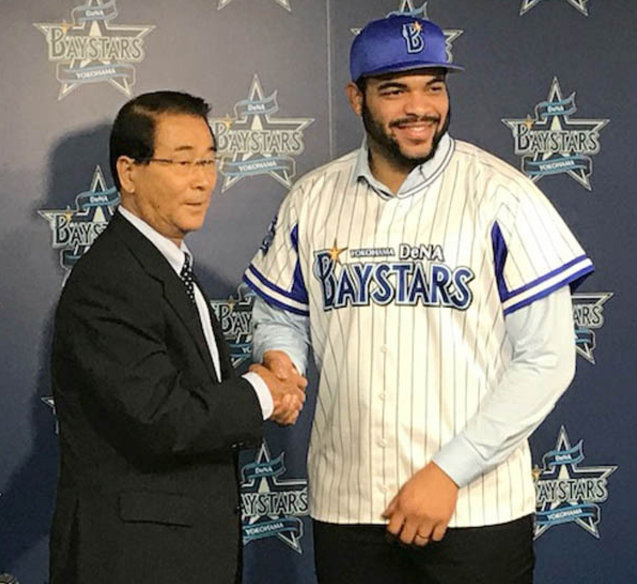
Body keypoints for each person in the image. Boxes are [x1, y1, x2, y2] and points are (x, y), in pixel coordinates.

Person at [243, 15, 593, 584]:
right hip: (350, 504)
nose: (419, 107)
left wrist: (449, 472)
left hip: (474, 508)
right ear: (356, 98)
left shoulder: (503, 195)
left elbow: (547, 359)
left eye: (433, 86)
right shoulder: (312, 198)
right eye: (395, 90)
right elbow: (280, 315)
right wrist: (282, 360)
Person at [49, 91, 305, 584]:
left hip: (183, 554)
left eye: (209, 161)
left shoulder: (168, 267)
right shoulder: (110, 280)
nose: (203, 180)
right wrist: (261, 392)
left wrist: (265, 389)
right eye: (183, 162)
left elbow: (192, 395)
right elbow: (161, 418)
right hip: (135, 561)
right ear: (128, 173)